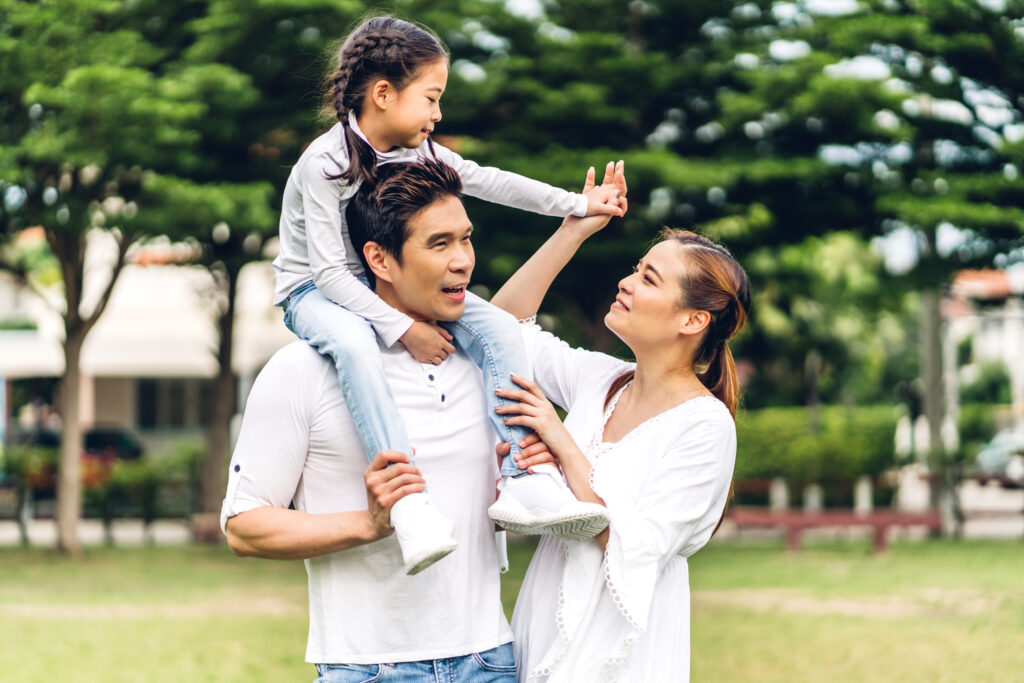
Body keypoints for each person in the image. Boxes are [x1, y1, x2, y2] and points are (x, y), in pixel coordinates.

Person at [222, 159, 622, 682]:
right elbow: (244, 528)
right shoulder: (304, 370)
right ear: (379, 260)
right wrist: (367, 525)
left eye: (466, 239)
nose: (463, 262)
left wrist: (575, 225)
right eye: (439, 244)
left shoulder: (483, 359)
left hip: (490, 661)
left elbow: (506, 318)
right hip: (365, 669)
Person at [273, 14, 624, 574]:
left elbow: (490, 180)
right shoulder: (325, 163)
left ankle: (523, 481)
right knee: (357, 346)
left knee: (500, 329)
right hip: (314, 288)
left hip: (390, 279)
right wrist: (403, 329)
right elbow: (331, 275)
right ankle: (408, 501)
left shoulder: (423, 152)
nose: (438, 114)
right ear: (383, 94)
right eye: (431, 97)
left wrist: (579, 206)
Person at [490, 211, 751, 681]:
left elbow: (633, 543)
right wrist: (573, 230)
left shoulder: (705, 426)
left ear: (693, 319)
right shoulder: (600, 379)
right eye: (636, 268)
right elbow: (502, 326)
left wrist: (559, 442)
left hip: (619, 651)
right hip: (543, 620)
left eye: (648, 278)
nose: (627, 282)